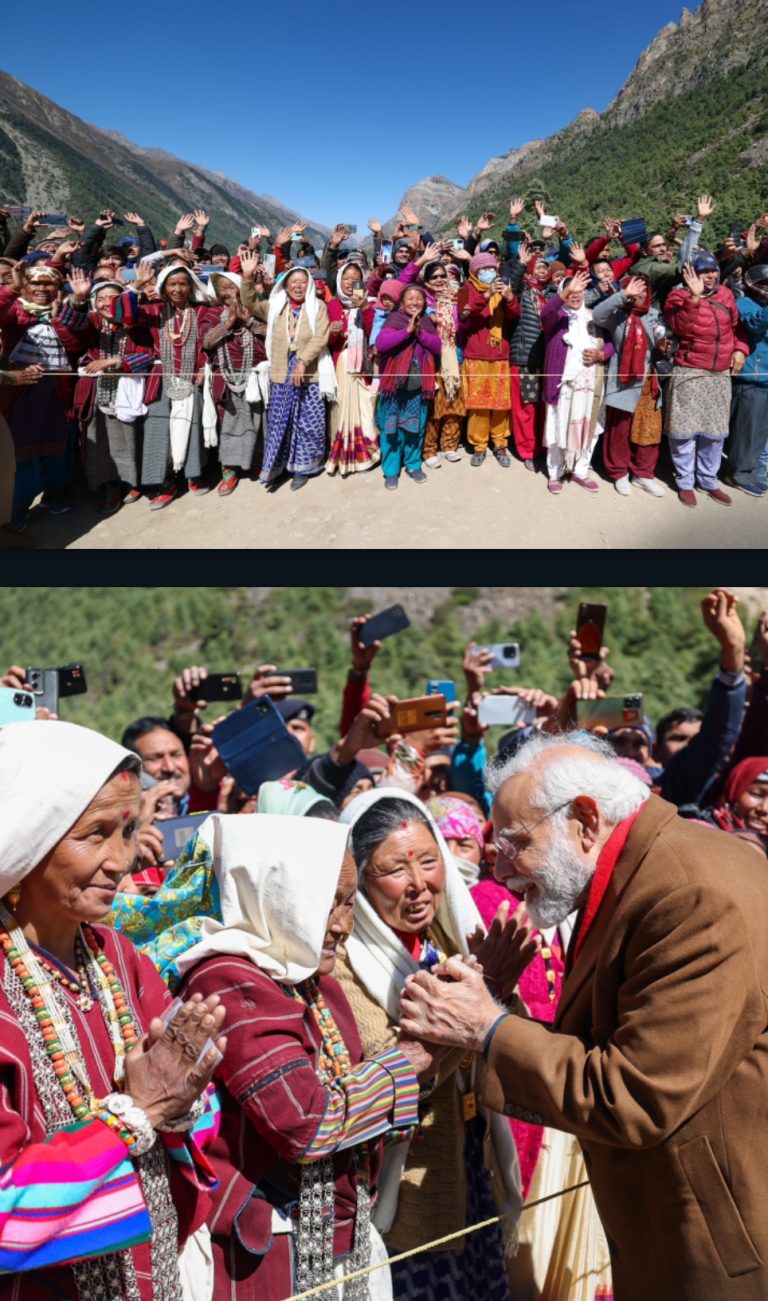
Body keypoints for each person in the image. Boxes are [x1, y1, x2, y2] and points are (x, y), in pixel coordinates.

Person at [400, 730, 768, 1301]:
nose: (501, 871)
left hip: (721, 1244)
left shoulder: (685, 893)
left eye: (516, 843)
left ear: (586, 820)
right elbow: (601, 1046)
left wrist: (488, 1027)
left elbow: (635, 1095)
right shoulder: (642, 873)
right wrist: (496, 1016)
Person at [154, 812, 431, 1299]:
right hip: (261, 1252)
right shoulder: (227, 982)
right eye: (328, 904)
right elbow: (307, 1123)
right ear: (276, 895)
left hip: (336, 1237)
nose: (343, 925)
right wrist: (407, 1060)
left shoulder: (313, 981)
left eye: (349, 904)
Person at [0, 720, 226, 1298]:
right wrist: (137, 1112)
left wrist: (182, 1100)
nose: (120, 859)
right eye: (94, 834)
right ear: (28, 836)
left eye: (127, 830)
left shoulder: (119, 958)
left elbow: (195, 1114)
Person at [336, 789, 529, 1301]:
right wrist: (479, 1000)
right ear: (356, 877)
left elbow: (504, 1040)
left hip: (468, 1160)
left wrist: (496, 996)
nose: (420, 885)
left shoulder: (448, 944)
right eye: (395, 869)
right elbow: (387, 1071)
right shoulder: (346, 964)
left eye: (428, 861)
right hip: (407, 1190)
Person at [114, 260, 214, 509]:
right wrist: (136, 286)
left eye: (183, 283)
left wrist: (204, 367)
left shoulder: (202, 311)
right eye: (172, 284)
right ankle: (161, 481)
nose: (178, 289)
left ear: (191, 287)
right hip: (160, 378)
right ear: (163, 287)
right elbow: (121, 317)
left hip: (193, 377)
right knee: (156, 428)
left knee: (192, 425)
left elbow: (209, 342)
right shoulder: (153, 310)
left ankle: (193, 474)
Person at [0, 262, 90, 529]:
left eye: (48, 283)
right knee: (21, 454)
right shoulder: (14, 311)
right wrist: (12, 289)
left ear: (58, 287)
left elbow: (74, 345)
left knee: (58, 446)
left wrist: (62, 317)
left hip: (56, 394)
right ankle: (16, 511)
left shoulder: (64, 313)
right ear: (25, 285)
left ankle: (56, 494)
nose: (41, 288)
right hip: (20, 396)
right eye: (35, 283)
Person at [240, 258, 335, 491]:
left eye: (303, 282)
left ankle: (304, 468)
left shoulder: (318, 307)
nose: (298, 286)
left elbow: (320, 337)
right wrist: (247, 277)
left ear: (310, 285)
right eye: (293, 282)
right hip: (282, 372)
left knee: (308, 421)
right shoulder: (275, 306)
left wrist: (302, 362)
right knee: (281, 419)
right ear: (285, 285)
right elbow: (250, 303)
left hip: (309, 373)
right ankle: (279, 467)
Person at [664, 252, 748, 508]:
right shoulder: (676, 297)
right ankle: (685, 482)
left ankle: (709, 480)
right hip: (690, 371)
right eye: (704, 272)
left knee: (715, 433)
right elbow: (682, 328)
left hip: (720, 373)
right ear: (692, 274)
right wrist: (694, 297)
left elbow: (736, 328)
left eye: (712, 272)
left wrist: (740, 349)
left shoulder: (725, 295)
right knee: (683, 433)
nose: (710, 276)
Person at [72, 278, 155, 513]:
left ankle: (130, 481)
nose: (107, 303)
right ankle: (108, 485)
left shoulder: (135, 324)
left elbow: (148, 355)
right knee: (98, 441)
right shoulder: (90, 322)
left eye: (113, 298)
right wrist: (78, 299)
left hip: (126, 393)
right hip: (95, 394)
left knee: (127, 439)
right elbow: (67, 328)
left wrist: (115, 360)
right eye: (100, 299)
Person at [591, 274, 667, 497]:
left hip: (647, 381)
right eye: (635, 288)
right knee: (620, 430)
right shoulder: (618, 316)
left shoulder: (655, 316)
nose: (640, 293)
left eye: (644, 289)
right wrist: (622, 295)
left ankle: (643, 474)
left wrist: (666, 345)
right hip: (623, 380)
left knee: (648, 430)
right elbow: (597, 315)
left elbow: (662, 343)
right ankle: (619, 472)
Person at [540, 269, 608, 494]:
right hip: (564, 386)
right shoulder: (557, 317)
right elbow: (544, 313)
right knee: (559, 427)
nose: (575, 295)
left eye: (579, 291)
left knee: (588, 426)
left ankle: (581, 470)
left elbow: (611, 343)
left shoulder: (594, 316)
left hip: (589, 385)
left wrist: (601, 354)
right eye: (570, 292)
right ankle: (555, 473)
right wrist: (565, 292)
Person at [200, 269, 267, 496]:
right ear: (217, 294)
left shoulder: (255, 309)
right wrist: (228, 322)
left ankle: (256, 461)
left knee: (257, 422)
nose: (229, 293)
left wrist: (247, 320)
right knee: (228, 424)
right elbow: (207, 342)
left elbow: (270, 332)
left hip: (254, 377)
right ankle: (229, 470)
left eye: (232, 287)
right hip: (226, 379)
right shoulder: (211, 313)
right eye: (223, 289)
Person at [375, 284, 441, 489]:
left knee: (415, 427)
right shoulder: (394, 320)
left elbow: (437, 346)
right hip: (394, 385)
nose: (415, 302)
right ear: (402, 303)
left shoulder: (428, 322)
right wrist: (407, 331)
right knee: (391, 428)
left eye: (419, 299)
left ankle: (413, 465)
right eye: (410, 299)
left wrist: (420, 333)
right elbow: (381, 344)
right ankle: (391, 470)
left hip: (418, 384)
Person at [458, 252, 520, 469]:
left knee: (501, 403)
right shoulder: (467, 290)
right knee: (478, 405)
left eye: (491, 269)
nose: (488, 273)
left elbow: (515, 315)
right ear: (474, 272)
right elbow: (465, 316)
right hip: (476, 355)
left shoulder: (503, 288)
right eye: (482, 270)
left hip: (500, 354)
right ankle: (479, 445)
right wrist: (486, 296)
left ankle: (500, 443)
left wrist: (510, 298)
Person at [326, 261, 380, 475]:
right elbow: (328, 343)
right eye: (346, 278)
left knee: (365, 408)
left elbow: (374, 333)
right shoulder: (332, 305)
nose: (350, 283)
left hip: (363, 365)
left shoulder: (371, 303)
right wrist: (332, 332)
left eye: (355, 278)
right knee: (341, 409)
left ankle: (366, 455)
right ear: (339, 280)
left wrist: (364, 307)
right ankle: (342, 457)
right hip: (341, 363)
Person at [726, 262, 768, 495]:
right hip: (751, 379)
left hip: (765, 379)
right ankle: (737, 474)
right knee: (746, 432)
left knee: (760, 433)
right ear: (753, 284)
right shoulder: (744, 303)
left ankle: (750, 471)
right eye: (764, 284)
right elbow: (755, 325)